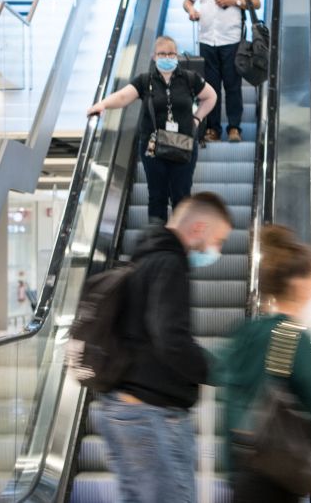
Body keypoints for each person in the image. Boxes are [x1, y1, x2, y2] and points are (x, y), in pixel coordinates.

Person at [97, 192, 233, 503]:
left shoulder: (143, 259)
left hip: (125, 409)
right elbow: (171, 339)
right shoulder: (169, 263)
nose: (218, 250)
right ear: (198, 228)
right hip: (149, 413)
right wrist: (221, 371)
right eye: (218, 240)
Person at [222, 225, 311, 503]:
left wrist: (232, 468)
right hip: (279, 473)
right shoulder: (290, 336)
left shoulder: (246, 331)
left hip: (245, 469)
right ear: (298, 285)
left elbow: (231, 399)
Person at [87, 36, 217, 223]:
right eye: (162, 54)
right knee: (157, 195)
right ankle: (157, 237)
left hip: (184, 145)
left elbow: (211, 96)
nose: (167, 57)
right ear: (154, 56)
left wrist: (197, 118)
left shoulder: (189, 78)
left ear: (177, 55)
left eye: (171, 54)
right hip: (153, 147)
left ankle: (179, 237)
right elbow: (123, 97)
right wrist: (102, 105)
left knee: (182, 195)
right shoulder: (144, 80)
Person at [183, 0, 261, 143]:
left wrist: (235, 1)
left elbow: (257, 2)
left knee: (233, 85)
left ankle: (234, 128)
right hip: (206, 40)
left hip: (231, 41)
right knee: (210, 87)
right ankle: (213, 129)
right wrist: (191, 10)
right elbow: (187, 1)